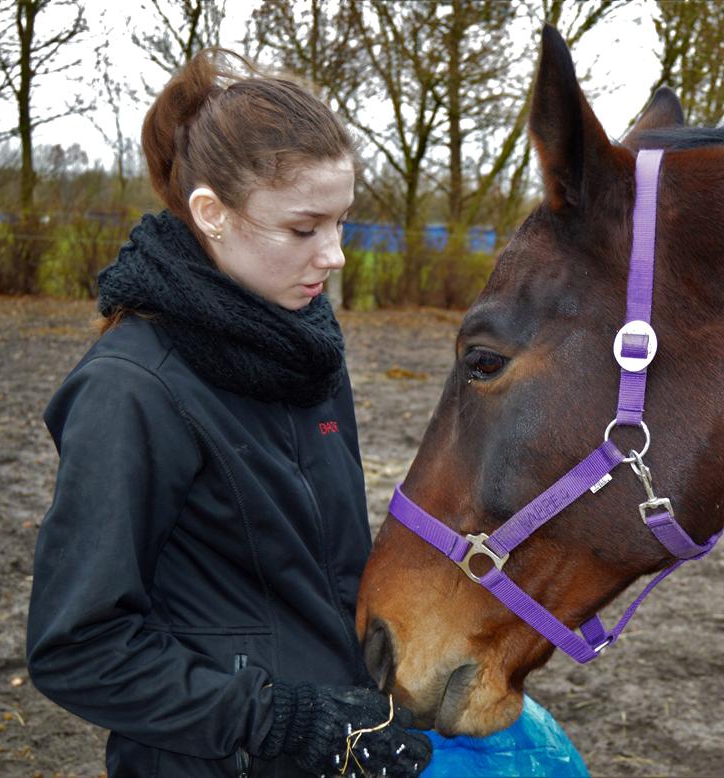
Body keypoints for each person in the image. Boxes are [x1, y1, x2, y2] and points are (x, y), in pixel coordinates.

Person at [25, 48, 431, 778]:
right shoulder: (131, 389)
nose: (335, 255)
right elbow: (78, 647)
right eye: (305, 229)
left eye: (341, 223)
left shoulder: (308, 353)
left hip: (336, 752)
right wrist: (277, 721)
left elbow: (317, 572)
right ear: (212, 214)